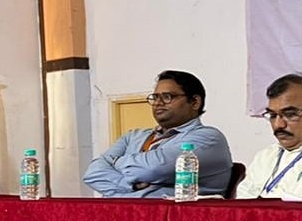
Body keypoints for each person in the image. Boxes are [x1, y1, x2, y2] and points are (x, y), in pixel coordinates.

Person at [83, 70, 232, 197]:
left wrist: (115, 162)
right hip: (123, 214)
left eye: (167, 97)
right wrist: (130, 185)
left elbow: (153, 169)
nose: (158, 103)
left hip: (174, 218)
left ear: (195, 102)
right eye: (155, 97)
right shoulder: (133, 136)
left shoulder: (209, 138)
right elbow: (92, 173)